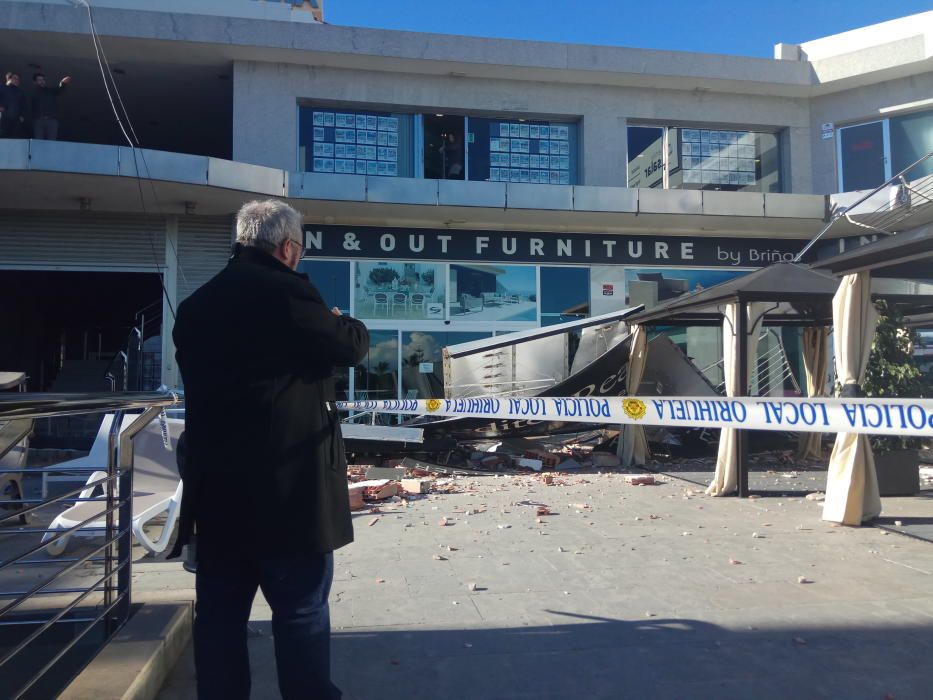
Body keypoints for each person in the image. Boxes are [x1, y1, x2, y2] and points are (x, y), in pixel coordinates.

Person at [170, 199, 369, 700]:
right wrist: (342, 319)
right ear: (287, 248)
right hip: (289, 497)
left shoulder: (196, 307)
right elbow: (350, 347)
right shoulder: (289, 295)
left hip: (216, 497)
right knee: (300, 614)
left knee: (219, 621)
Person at [31, 72, 71, 141]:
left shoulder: (50, 91)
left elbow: (59, 89)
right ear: (35, 82)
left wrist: (63, 83)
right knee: (38, 142)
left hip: (52, 120)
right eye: (39, 80)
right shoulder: (33, 93)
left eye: (43, 80)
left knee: (51, 142)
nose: (42, 81)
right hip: (38, 121)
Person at [0, 73, 26, 138]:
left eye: (18, 79)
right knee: (3, 135)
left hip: (16, 119)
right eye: (14, 78)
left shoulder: (21, 92)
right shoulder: (2, 88)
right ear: (9, 79)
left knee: (14, 137)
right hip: (4, 117)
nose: (16, 80)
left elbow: (23, 105)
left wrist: (22, 115)